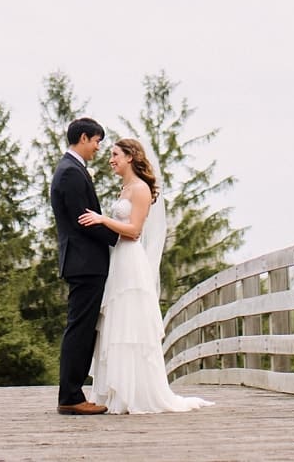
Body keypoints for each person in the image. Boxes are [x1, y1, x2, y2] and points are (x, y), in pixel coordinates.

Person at [77, 136, 213, 414]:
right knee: (117, 322)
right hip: (118, 260)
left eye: (115, 154)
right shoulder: (124, 187)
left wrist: (102, 219)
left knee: (131, 324)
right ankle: (117, 390)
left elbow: (134, 230)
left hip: (130, 260)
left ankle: (136, 391)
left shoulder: (139, 188)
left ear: (130, 156)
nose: (111, 159)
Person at [49, 117, 116, 415]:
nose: (98, 148)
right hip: (84, 262)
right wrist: (120, 236)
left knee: (83, 328)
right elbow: (84, 219)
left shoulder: (71, 170)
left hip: (84, 261)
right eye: (97, 141)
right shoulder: (71, 173)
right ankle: (71, 396)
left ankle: (73, 393)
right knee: (79, 328)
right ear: (84, 138)